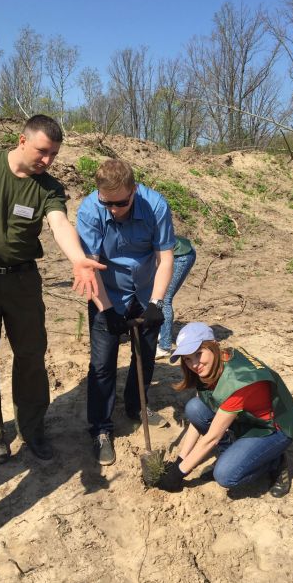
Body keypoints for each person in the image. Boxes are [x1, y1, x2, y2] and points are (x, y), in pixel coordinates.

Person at [0, 115, 104, 463]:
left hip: (22, 281)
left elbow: (59, 223)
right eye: (43, 152)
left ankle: (33, 429)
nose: (47, 161)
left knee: (30, 356)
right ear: (21, 140)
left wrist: (78, 259)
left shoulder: (48, 187)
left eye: (54, 155)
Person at [76, 159, 174, 465]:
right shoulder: (91, 210)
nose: (114, 210)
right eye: (108, 203)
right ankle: (101, 429)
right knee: (102, 364)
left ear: (134, 190)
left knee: (144, 356)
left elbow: (166, 257)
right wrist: (107, 311)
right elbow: (89, 268)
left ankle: (136, 406)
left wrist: (158, 303)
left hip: (145, 291)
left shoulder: (156, 205)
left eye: (120, 203)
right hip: (106, 291)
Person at [157, 322, 293, 496]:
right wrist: (180, 460)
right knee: (195, 408)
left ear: (214, 346)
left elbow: (211, 439)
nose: (194, 364)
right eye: (188, 359)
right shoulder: (212, 365)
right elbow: (197, 419)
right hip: (247, 418)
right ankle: (233, 453)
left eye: (198, 354)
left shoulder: (237, 380)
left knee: (226, 475)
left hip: (272, 428)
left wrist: (177, 474)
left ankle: (275, 461)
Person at [155, 236, 196, 359]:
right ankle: (160, 333)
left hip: (181, 255)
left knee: (164, 298)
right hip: (169, 255)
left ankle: (164, 347)